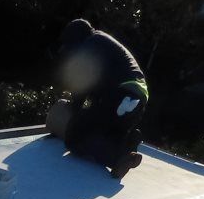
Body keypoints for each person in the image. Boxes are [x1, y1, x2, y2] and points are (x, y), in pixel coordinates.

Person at [46, 18, 149, 179]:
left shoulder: (90, 43)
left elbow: (83, 81)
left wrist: (74, 110)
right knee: (103, 129)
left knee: (76, 137)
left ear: (77, 38)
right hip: (137, 100)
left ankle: (118, 158)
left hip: (120, 95)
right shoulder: (102, 41)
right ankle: (128, 139)